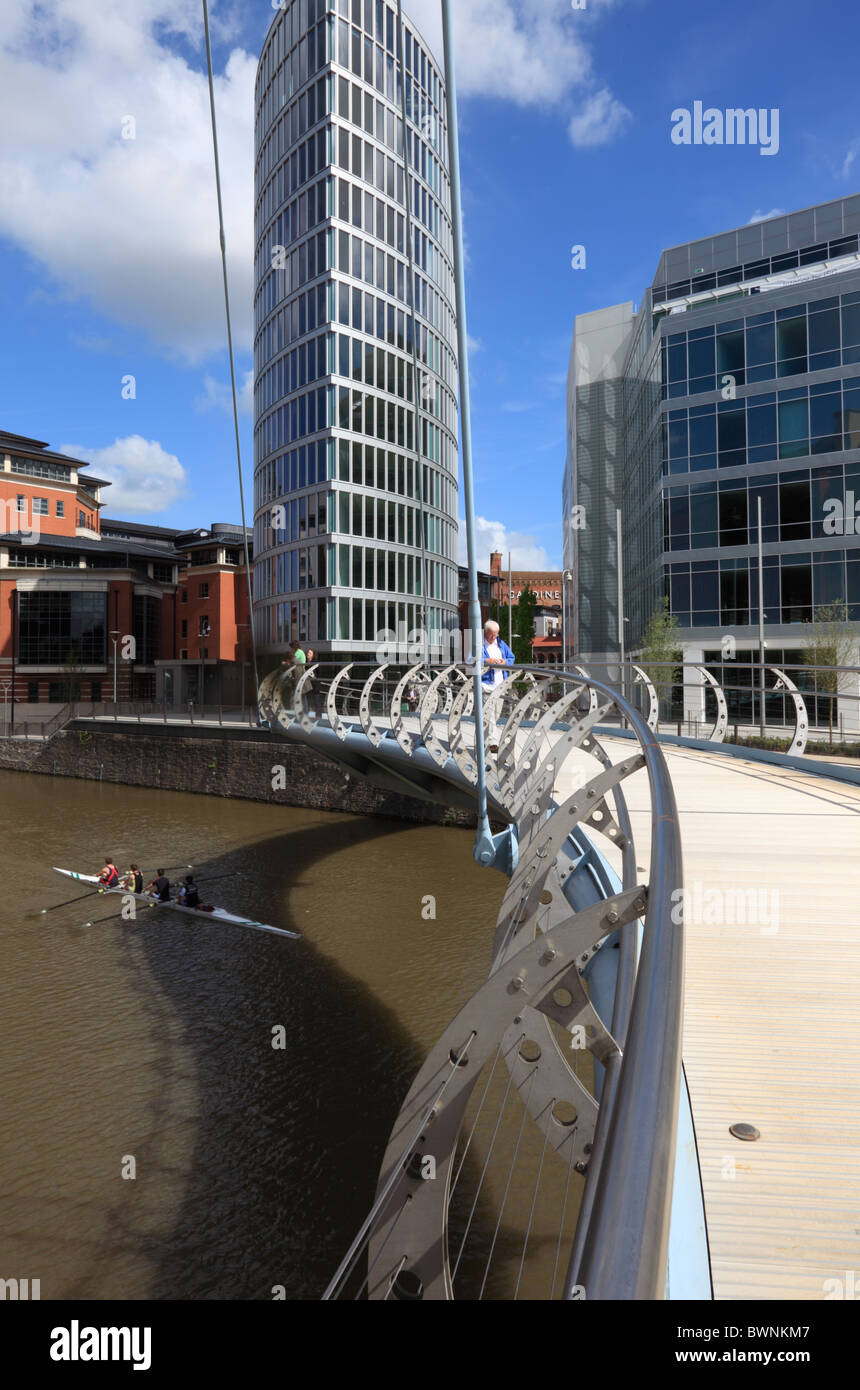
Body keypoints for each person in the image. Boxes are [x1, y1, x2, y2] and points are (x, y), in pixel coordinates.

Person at [480, 620, 515, 753]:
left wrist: (504, 661)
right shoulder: (478, 644)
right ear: (485, 632)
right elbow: (470, 660)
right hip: (485, 685)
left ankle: (485, 738)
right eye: (492, 635)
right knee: (490, 716)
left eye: (496, 634)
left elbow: (512, 658)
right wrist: (486, 661)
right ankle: (493, 743)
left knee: (496, 714)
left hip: (500, 686)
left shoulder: (500, 643)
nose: (494, 637)